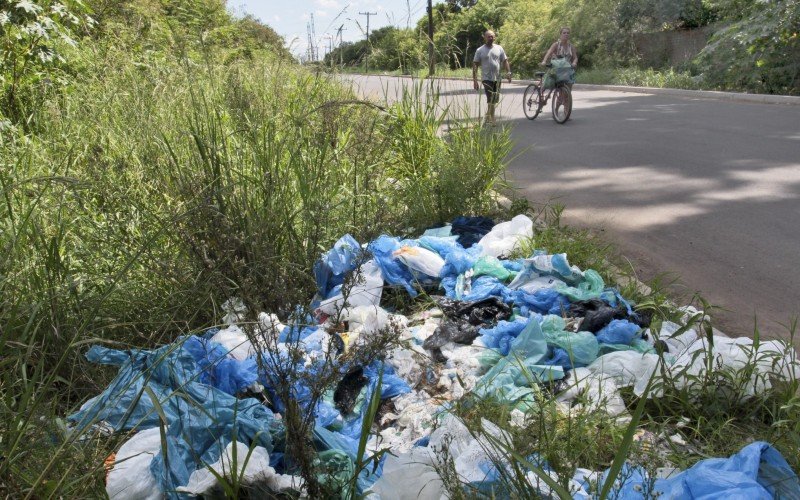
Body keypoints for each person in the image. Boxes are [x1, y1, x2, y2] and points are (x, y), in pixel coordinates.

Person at [472, 30, 512, 125]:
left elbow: (505, 61)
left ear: (494, 37)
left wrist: (509, 72)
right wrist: (475, 81)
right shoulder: (480, 50)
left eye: (492, 36)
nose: (491, 38)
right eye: (488, 36)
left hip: (497, 78)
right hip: (486, 78)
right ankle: (493, 118)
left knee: (494, 99)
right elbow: (475, 65)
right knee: (490, 98)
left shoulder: (499, 48)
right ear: (484, 37)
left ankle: (486, 117)